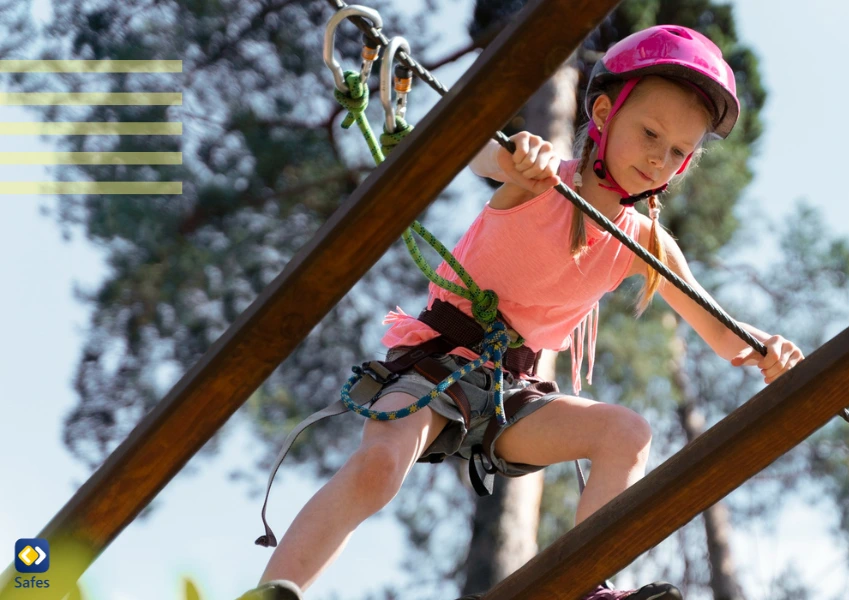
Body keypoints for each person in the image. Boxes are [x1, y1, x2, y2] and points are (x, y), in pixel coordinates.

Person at [239, 24, 803, 600]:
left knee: (626, 433)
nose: (660, 158)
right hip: (438, 363)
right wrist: (515, 159)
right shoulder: (540, 179)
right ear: (604, 113)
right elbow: (470, 150)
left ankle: (591, 585)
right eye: (651, 132)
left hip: (515, 396)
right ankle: (279, 588)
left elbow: (722, 330)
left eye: (679, 151)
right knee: (380, 467)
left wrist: (771, 351)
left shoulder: (646, 243)